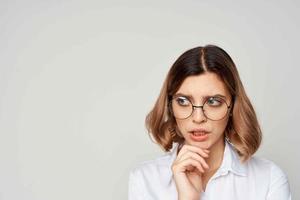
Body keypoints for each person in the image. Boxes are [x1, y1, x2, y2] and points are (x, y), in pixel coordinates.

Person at [128, 45, 291, 200]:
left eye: (213, 102)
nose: (198, 118)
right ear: (170, 106)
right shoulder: (144, 180)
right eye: (183, 101)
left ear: (232, 107)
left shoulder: (269, 179)